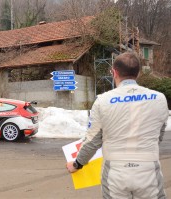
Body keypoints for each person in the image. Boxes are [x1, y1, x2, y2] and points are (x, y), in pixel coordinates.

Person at [66, 52, 169, 199]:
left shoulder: (102, 101)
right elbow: (158, 135)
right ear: (138, 73)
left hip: (115, 172)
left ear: (114, 72)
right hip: (149, 169)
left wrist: (77, 164)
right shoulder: (159, 99)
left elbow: (92, 141)